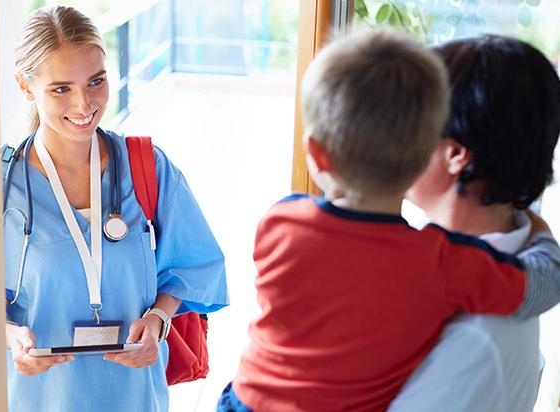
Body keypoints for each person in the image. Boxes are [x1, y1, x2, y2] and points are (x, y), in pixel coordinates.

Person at [217, 29, 560, 411]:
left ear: (455, 154)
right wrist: (539, 233)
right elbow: (544, 281)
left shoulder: (281, 220)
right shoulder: (442, 264)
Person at [1, 6, 228, 411]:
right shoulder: (1, 185)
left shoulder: (147, 167)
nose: (84, 103)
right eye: (61, 89)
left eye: (96, 81)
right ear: (25, 86)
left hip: (134, 395)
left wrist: (158, 322)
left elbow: (196, 268)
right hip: (38, 398)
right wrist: (10, 337)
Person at [389, 35, 560, 411]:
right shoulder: (514, 273)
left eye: (410, 124)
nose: (391, 139)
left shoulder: (471, 332)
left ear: (454, 154)